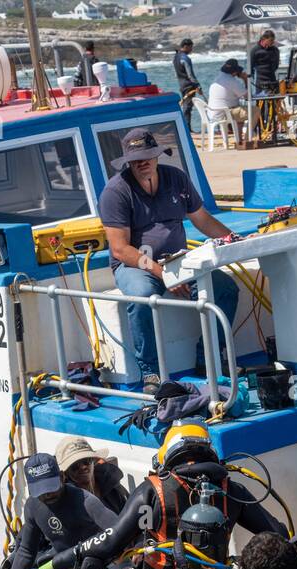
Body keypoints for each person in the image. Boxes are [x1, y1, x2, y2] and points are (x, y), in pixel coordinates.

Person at [35, 424, 286, 569]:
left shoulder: (152, 490)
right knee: (272, 555)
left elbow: (109, 543)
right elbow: (279, 534)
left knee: (114, 568)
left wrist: (56, 564)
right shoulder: (232, 491)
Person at [99, 127, 240, 389]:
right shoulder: (116, 191)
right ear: (127, 162)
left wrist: (234, 240)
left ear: (157, 155)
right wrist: (162, 273)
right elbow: (120, 249)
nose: (143, 162)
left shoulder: (176, 178)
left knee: (226, 290)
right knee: (141, 296)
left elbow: (203, 220)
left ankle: (208, 357)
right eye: (136, 159)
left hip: (178, 260)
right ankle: (150, 372)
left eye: (148, 155)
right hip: (136, 265)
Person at [0, 454, 118, 569]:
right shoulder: (33, 506)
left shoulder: (85, 501)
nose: (48, 494)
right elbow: (26, 551)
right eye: (41, 491)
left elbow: (119, 531)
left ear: (61, 476)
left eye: (51, 487)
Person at [54, 436, 130, 514]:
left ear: (94, 461)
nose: (83, 467)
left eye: (86, 461)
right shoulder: (67, 502)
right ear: (65, 473)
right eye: (75, 465)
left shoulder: (112, 484)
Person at [208, 58, 253, 136]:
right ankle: (246, 138)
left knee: (239, 110)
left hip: (212, 114)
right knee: (254, 111)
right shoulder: (232, 81)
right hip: (223, 114)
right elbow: (248, 97)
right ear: (235, 72)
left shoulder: (217, 79)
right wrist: (245, 79)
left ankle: (239, 137)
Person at [173, 38, 201, 127]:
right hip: (189, 86)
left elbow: (176, 73)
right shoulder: (185, 58)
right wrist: (197, 85)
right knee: (187, 107)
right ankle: (187, 129)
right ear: (186, 46)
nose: (191, 50)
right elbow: (190, 75)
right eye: (190, 47)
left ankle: (186, 127)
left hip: (181, 84)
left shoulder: (176, 57)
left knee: (186, 106)